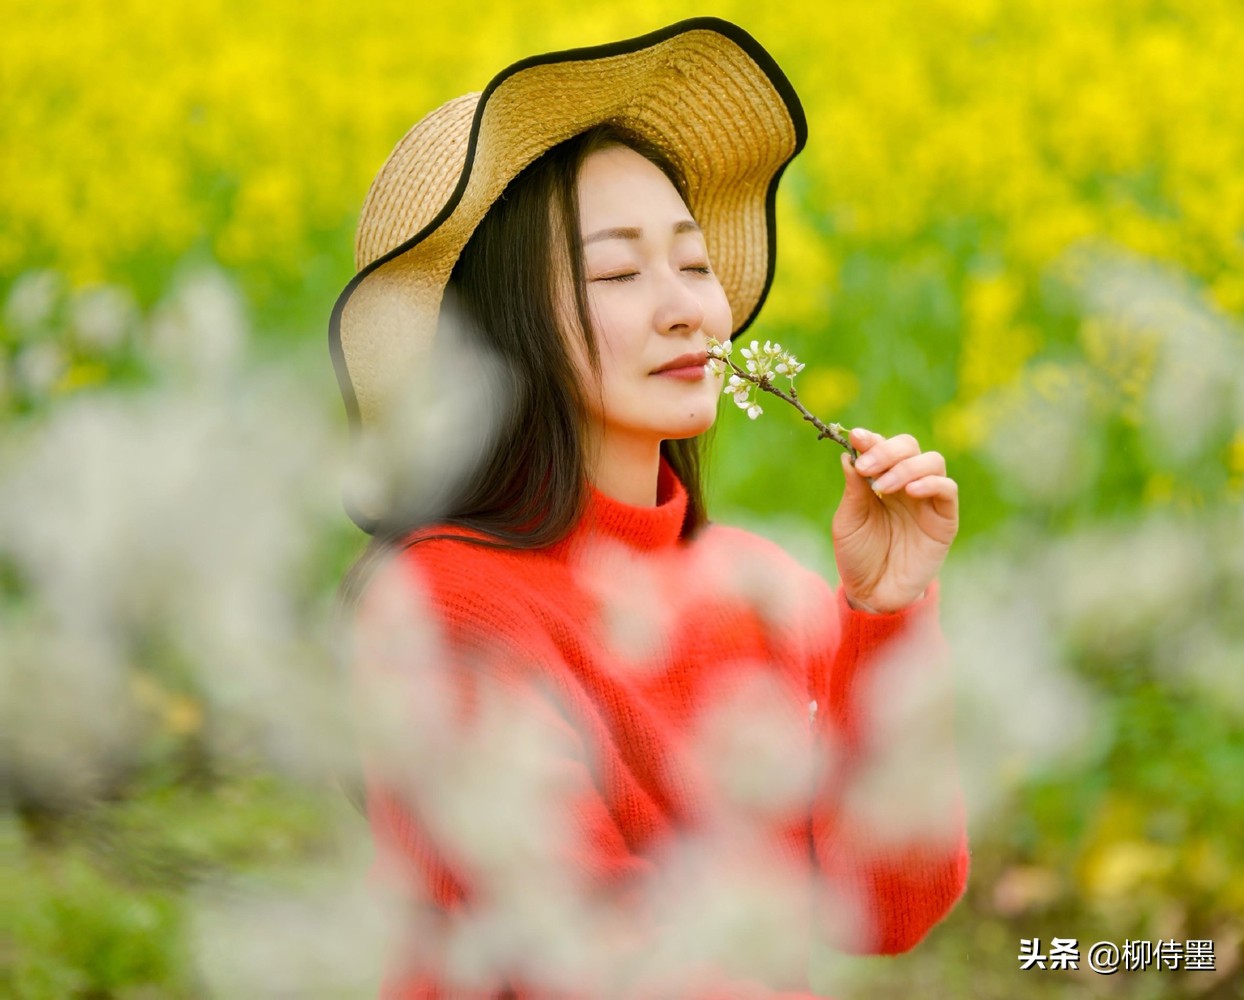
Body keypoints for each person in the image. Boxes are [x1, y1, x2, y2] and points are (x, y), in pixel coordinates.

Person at [331, 18, 969, 999]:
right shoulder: (445, 608)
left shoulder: (758, 587)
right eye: (621, 273)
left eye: (691, 262)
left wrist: (885, 616)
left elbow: (889, 905)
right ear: (501, 333)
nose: (688, 308)